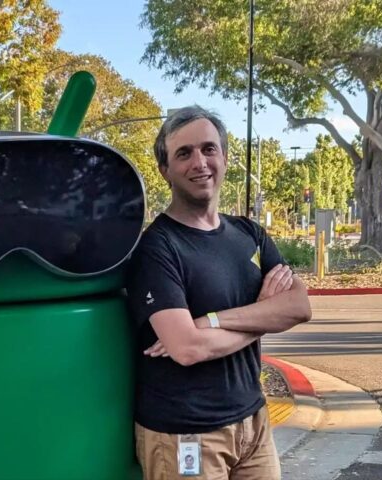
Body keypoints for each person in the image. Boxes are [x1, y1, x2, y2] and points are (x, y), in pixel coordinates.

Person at [126, 106, 312, 479]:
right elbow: (188, 349)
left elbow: (299, 305)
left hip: (253, 424)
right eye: (184, 153)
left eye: (208, 149)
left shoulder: (249, 234)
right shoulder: (157, 248)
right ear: (165, 170)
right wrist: (263, 313)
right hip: (185, 433)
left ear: (224, 157)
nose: (200, 162)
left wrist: (212, 321)